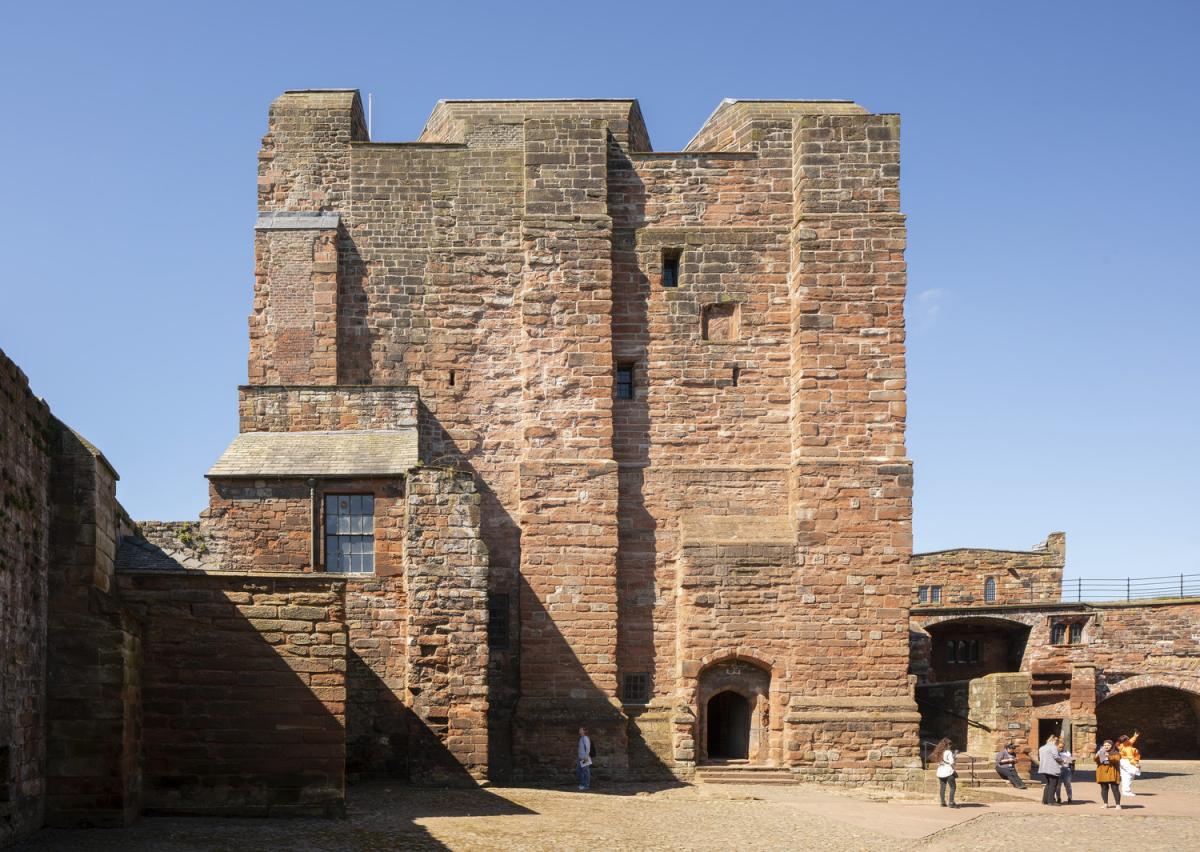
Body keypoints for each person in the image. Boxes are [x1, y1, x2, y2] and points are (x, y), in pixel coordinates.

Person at [1095, 739, 1122, 809]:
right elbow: (1096, 760)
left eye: (1108, 745)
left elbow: (1117, 759)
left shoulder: (1115, 752)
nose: (1106, 747)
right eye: (1105, 745)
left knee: (1115, 788)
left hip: (1112, 772)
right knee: (1104, 788)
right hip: (1102, 772)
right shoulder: (1101, 752)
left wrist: (1109, 756)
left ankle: (1118, 804)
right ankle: (1105, 803)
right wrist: (1097, 755)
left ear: (1112, 746)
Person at [1037, 733, 1064, 805]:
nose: (1057, 742)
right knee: (1053, 784)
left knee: (1048, 784)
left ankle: (1045, 800)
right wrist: (1062, 761)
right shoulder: (1053, 747)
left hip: (1044, 768)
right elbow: (1056, 756)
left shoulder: (1042, 748)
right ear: (1053, 740)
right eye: (1057, 741)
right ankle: (1051, 801)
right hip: (1052, 768)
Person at [932, 737, 958, 808]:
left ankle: (942, 802)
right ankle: (951, 802)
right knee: (953, 787)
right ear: (947, 745)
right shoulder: (948, 752)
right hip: (948, 771)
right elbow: (952, 762)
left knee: (942, 787)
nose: (950, 746)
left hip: (940, 771)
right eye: (949, 745)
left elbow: (939, 762)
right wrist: (955, 756)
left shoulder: (938, 752)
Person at [1117, 731, 1141, 797]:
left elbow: (1130, 741)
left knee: (1125, 776)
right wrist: (1136, 764)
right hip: (1128, 762)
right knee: (1130, 776)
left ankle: (1125, 790)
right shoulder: (1128, 748)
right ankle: (1127, 791)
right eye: (1127, 740)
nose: (1128, 740)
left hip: (1123, 761)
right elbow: (1131, 757)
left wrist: (1135, 736)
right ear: (1124, 741)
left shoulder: (1122, 745)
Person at [1055, 737, 1075, 804]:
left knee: (1068, 784)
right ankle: (1058, 798)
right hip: (1058, 769)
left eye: (1062, 747)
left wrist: (1071, 762)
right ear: (1057, 746)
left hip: (1066, 770)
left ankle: (1069, 798)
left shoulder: (1067, 753)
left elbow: (1071, 761)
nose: (1061, 748)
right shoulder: (1055, 753)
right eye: (1060, 747)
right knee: (1058, 785)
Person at [575, 726, 592, 791]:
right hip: (581, 757)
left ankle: (586, 785)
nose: (579, 730)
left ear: (584, 731)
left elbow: (588, 748)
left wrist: (585, 757)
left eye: (581, 729)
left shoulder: (585, 738)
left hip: (585, 757)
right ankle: (582, 784)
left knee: (585, 772)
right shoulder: (581, 738)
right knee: (580, 771)